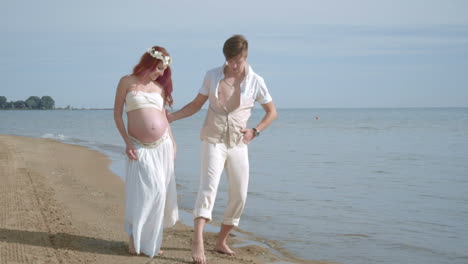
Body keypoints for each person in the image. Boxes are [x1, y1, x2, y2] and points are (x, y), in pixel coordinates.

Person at [167, 35, 277, 264]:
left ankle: (221, 240)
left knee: (239, 194)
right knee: (208, 187)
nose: (231, 65)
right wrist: (172, 118)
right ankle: (197, 240)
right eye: (228, 59)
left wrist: (254, 131)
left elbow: (271, 112)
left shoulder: (256, 81)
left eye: (236, 60)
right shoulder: (213, 75)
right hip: (213, 139)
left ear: (244, 57)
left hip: (238, 143)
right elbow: (197, 105)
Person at [113, 46, 178, 257]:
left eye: (164, 69)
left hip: (163, 146)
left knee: (159, 193)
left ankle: (152, 240)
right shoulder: (127, 82)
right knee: (143, 193)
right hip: (138, 146)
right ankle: (135, 239)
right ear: (149, 63)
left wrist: (173, 143)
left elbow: (163, 119)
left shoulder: (159, 88)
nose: (161, 73)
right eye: (159, 68)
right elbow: (117, 115)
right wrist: (127, 143)